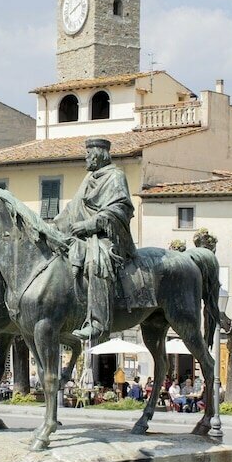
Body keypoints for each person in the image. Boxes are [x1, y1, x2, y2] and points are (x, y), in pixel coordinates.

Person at [53, 137, 135, 343]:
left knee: (95, 263)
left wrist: (90, 224)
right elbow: (72, 209)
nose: (85, 158)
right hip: (82, 237)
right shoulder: (88, 179)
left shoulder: (115, 176)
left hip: (107, 238)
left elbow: (120, 209)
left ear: (99, 155)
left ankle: (98, 323)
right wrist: (52, 229)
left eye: (88, 154)